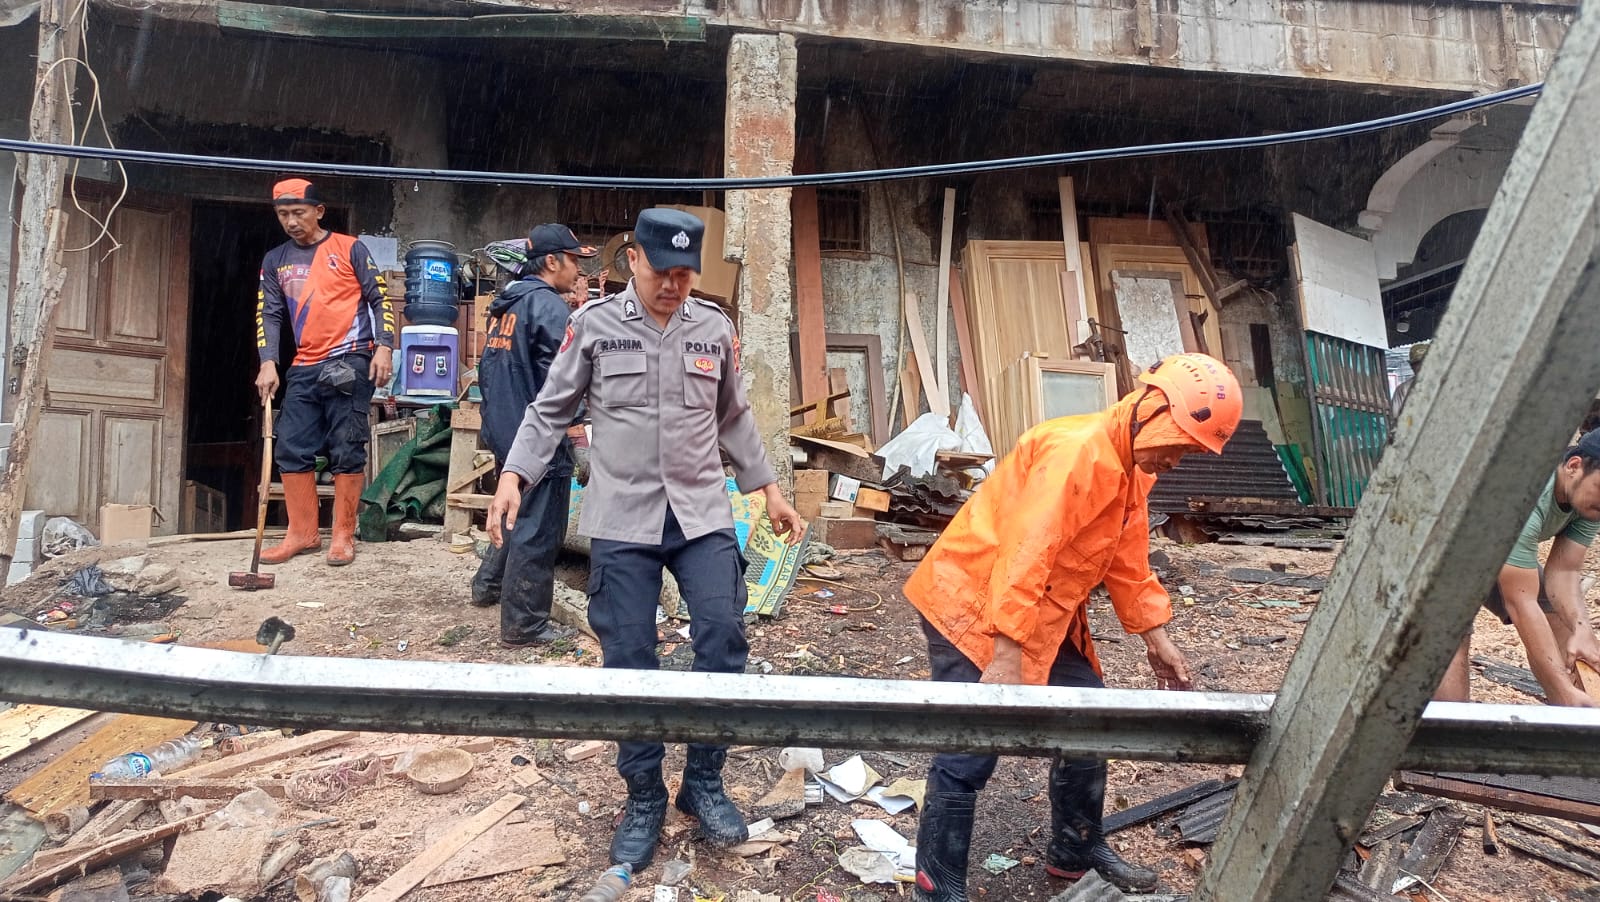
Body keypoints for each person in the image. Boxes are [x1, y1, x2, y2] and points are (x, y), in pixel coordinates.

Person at [487, 208, 805, 870]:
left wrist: (769, 489)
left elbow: (734, 417)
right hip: (623, 517)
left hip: (699, 514)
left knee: (723, 635)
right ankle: (643, 795)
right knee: (630, 658)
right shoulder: (594, 326)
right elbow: (550, 408)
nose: (674, 285)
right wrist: (514, 473)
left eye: (686, 274)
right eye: (664, 272)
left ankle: (704, 782)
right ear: (633, 259)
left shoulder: (713, 328)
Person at [905, 353, 1243, 899]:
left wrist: (1158, 639)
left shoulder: (1132, 468)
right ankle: (936, 882)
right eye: (1180, 445)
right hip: (971, 601)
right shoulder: (1075, 454)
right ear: (1152, 409)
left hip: (1042, 611)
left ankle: (1075, 849)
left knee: (1091, 721)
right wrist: (1006, 657)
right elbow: (1024, 553)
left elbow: (1127, 561)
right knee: (971, 743)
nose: (1178, 461)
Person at [255, 178, 394, 566]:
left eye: (298, 213)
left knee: (346, 447)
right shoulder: (274, 260)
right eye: (283, 215)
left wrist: (384, 347)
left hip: (349, 359)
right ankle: (303, 533)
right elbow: (269, 312)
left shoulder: (350, 248)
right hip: (303, 365)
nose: (291, 221)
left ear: (319, 210)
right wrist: (268, 360)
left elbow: (380, 297)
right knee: (290, 445)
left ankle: (343, 534)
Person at [471, 224, 597, 646]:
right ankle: (525, 625)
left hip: (505, 428)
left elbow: (491, 373)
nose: (579, 271)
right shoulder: (550, 310)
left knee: (514, 511)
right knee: (540, 530)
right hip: (539, 439)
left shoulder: (509, 304)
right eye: (574, 260)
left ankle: (488, 585)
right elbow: (563, 386)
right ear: (551, 261)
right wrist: (579, 441)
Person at [1434, 431, 1600, 707]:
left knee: (1562, 624)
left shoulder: (1590, 500)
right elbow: (1521, 603)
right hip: (1445, 553)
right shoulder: (1524, 495)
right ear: (1574, 466)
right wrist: (1562, 687)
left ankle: (1580, 715)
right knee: (1449, 672)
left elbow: (1564, 573)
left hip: (1496, 551)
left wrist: (1582, 628)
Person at [1391, 341, 1429, 419]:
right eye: (1417, 364)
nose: (1421, 367)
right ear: (1411, 366)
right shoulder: (1403, 389)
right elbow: (1394, 418)